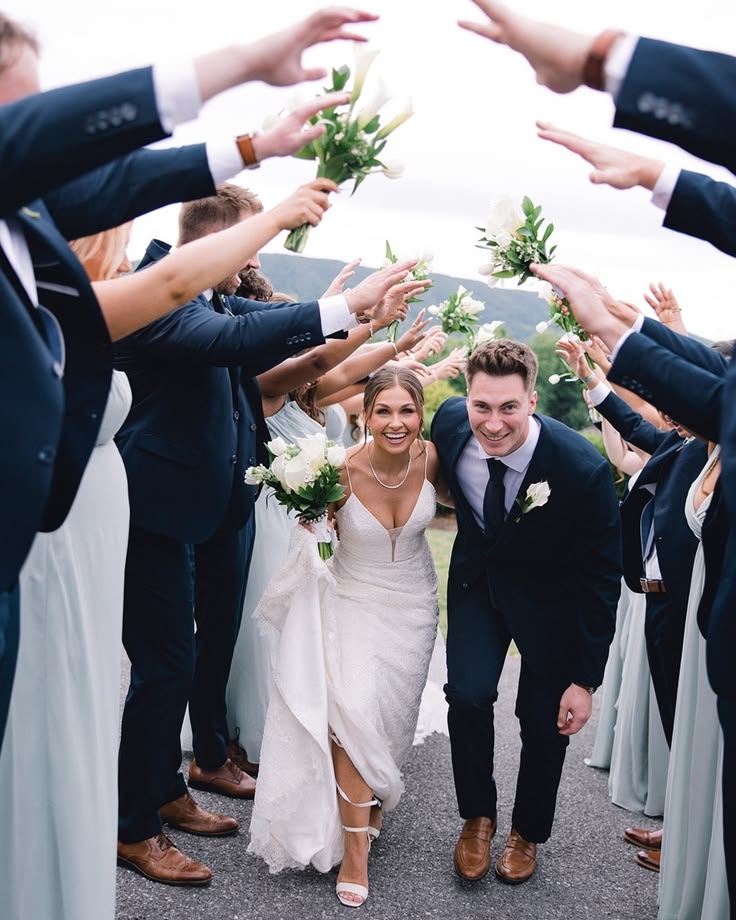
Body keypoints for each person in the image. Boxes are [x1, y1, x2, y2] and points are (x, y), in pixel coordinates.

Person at [0, 5, 378, 751]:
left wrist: (253, 146)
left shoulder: (26, 217)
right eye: (25, 114)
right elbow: (174, 284)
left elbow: (124, 182)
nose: (42, 135)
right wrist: (243, 64)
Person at [114, 183, 420, 886]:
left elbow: (266, 321)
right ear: (217, 241)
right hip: (151, 511)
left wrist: (360, 315)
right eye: (250, 244)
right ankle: (132, 827)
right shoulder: (159, 293)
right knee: (164, 667)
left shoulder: (209, 295)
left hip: (189, 511)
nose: (255, 261)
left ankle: (164, 789)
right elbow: (240, 340)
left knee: (179, 660)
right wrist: (348, 304)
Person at [249, 365, 449, 908]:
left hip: (414, 607)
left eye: (406, 410)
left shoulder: (434, 459)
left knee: (391, 718)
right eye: (383, 410)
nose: (395, 422)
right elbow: (316, 541)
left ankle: (371, 797)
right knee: (354, 714)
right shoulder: (337, 469)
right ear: (366, 415)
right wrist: (314, 528)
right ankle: (355, 852)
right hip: (353, 600)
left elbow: (474, 504)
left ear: (421, 413)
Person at [430, 339, 622, 885]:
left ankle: (527, 832)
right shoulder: (450, 424)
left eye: (509, 407)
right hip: (477, 585)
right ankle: (477, 817)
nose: (493, 423)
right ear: (466, 399)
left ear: (532, 402)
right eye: (481, 406)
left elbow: (601, 579)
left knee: (542, 721)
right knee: (467, 696)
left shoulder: (582, 470)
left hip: (550, 603)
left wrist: (584, 679)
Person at [227, 283, 431, 764]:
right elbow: (323, 360)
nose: (304, 345)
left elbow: (344, 371)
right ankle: (260, 732)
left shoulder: (300, 394)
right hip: (277, 519)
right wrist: (373, 322)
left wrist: (398, 346)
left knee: (312, 628)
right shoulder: (265, 383)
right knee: (278, 629)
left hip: (312, 521)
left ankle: (314, 721)